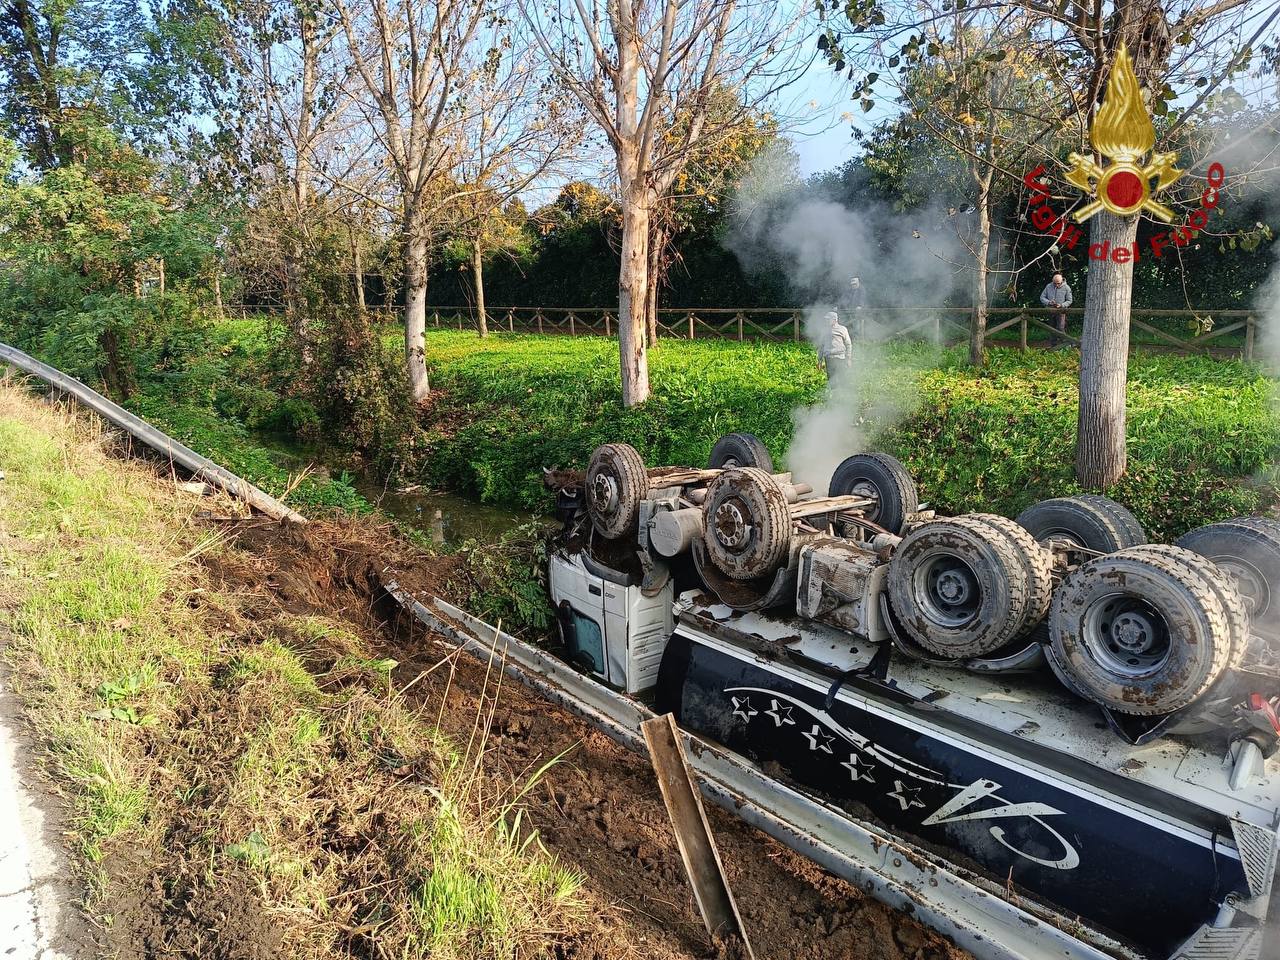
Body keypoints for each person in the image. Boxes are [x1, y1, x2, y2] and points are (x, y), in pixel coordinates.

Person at [1039, 272, 1073, 348]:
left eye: (1058, 283)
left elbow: (1069, 301)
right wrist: (1049, 302)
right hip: (1050, 310)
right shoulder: (1048, 286)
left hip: (1061, 311)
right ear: (1052, 281)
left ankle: (1066, 344)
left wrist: (1061, 305)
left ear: (1062, 281)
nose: (1056, 285)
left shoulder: (1067, 287)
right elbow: (1042, 297)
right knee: (1052, 328)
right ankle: (1054, 346)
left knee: (1060, 328)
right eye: (1055, 283)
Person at [818, 310, 852, 383]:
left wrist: (848, 358)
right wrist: (819, 360)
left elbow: (848, 344)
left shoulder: (843, 329)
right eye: (826, 319)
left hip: (840, 358)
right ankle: (833, 393)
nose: (826, 321)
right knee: (831, 379)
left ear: (834, 320)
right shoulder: (824, 330)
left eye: (828, 319)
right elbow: (821, 346)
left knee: (842, 378)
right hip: (829, 358)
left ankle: (843, 393)